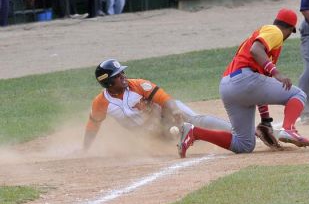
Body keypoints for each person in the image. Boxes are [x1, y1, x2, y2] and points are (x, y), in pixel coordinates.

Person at [177, 9, 309, 158]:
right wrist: (276, 73)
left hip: (229, 87)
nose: (287, 36)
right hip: (244, 80)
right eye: (290, 32)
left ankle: (194, 132)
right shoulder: (275, 32)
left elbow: (260, 86)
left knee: (244, 145)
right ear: (288, 29)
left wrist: (266, 121)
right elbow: (256, 50)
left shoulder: (263, 39)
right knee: (298, 94)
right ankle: (289, 129)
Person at [83, 59, 231, 151]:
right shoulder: (100, 103)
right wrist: (85, 149)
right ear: (108, 82)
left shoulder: (138, 85)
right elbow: (92, 126)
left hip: (166, 116)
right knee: (174, 141)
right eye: (118, 75)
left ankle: (234, 130)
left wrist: (175, 111)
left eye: (123, 73)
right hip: (154, 134)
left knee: (192, 119)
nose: (123, 76)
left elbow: (165, 99)